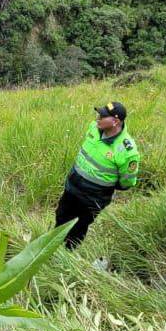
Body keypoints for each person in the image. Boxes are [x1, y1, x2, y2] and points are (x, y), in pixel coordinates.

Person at [55, 101, 141, 248]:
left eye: (102, 116)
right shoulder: (94, 128)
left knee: (78, 228)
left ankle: (68, 256)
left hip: (91, 198)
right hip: (72, 187)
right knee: (61, 217)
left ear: (115, 121)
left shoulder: (127, 151)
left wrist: (102, 186)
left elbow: (127, 182)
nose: (97, 118)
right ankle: (52, 249)